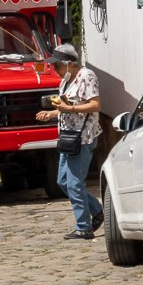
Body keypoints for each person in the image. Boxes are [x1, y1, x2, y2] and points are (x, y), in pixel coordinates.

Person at [37, 43, 104, 240]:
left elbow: (96, 104)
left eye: (56, 65)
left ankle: (84, 227)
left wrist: (71, 110)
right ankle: (97, 210)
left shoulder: (87, 76)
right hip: (68, 137)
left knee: (75, 184)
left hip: (82, 138)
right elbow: (66, 106)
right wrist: (52, 113)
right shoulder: (66, 81)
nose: (54, 70)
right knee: (63, 181)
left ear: (69, 63)